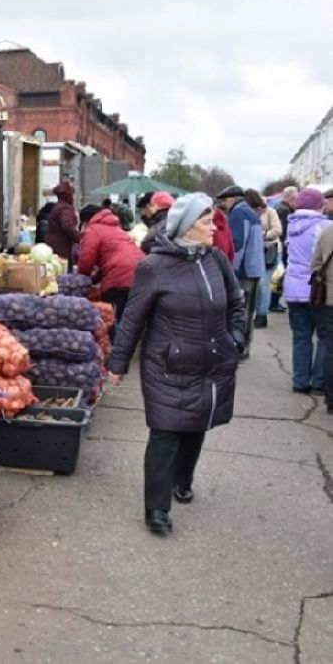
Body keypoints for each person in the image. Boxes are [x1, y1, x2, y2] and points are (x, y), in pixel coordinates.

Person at [107, 193, 245, 535]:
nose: (213, 227)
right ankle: (156, 507)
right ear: (186, 227)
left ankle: (183, 479)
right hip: (167, 363)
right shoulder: (153, 266)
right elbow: (133, 318)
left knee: (196, 425)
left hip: (210, 360)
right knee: (166, 431)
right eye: (205, 221)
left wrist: (236, 340)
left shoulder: (216, 260)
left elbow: (236, 304)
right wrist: (118, 363)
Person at [282, 187, 331, 393]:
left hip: (293, 287)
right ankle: (319, 380)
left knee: (300, 336)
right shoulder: (325, 226)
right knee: (325, 336)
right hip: (318, 288)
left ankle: (300, 380)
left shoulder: (292, 225)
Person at [77, 206, 145, 338]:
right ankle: (128, 345)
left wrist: (81, 279)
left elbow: (86, 259)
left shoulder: (93, 229)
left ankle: (117, 350)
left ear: (85, 221)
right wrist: (95, 279)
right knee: (128, 316)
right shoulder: (116, 229)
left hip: (121, 277)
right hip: (141, 271)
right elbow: (114, 258)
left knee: (111, 316)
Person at [217, 185, 264, 358]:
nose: (224, 204)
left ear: (233, 199)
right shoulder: (252, 213)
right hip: (254, 269)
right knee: (248, 311)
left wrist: (231, 269)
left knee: (239, 311)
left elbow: (237, 244)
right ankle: (245, 347)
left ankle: (238, 347)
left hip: (243, 270)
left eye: (225, 200)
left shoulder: (238, 214)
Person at [246, 189, 282, 329]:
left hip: (270, 253)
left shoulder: (271, 212)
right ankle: (252, 313)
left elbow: (278, 230)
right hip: (254, 252)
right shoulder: (248, 212)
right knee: (254, 284)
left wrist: (260, 235)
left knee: (262, 283)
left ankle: (262, 316)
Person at [310, 222, 333, 413]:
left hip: (330, 300)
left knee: (330, 348)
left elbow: (315, 265)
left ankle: (331, 399)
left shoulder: (327, 233)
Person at [270, 186, 296, 312]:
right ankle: (273, 302)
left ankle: (273, 301)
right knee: (280, 276)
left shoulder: (279, 208)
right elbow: (284, 233)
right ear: (292, 198)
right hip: (282, 248)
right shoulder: (284, 211)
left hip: (278, 247)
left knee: (277, 276)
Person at [45, 181, 80, 267]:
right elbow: (68, 227)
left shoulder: (58, 206)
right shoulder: (65, 209)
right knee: (62, 268)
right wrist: (81, 239)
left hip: (54, 243)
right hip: (62, 246)